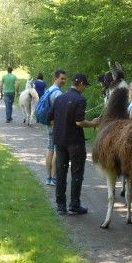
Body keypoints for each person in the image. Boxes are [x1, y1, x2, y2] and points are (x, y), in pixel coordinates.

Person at [50, 73, 99, 215]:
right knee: (77, 173)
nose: (85, 89)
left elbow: (51, 119)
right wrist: (93, 123)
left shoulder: (59, 98)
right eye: (85, 86)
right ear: (82, 84)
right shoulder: (80, 100)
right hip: (75, 143)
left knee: (60, 173)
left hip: (59, 141)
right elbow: (79, 122)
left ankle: (60, 206)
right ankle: (74, 204)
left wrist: (62, 126)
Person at [42, 70, 66, 186]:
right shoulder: (58, 94)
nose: (64, 81)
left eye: (64, 79)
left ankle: (48, 178)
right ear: (56, 78)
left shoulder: (49, 90)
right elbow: (61, 112)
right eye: (62, 78)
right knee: (56, 150)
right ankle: (55, 178)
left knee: (50, 149)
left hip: (49, 124)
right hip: (56, 125)